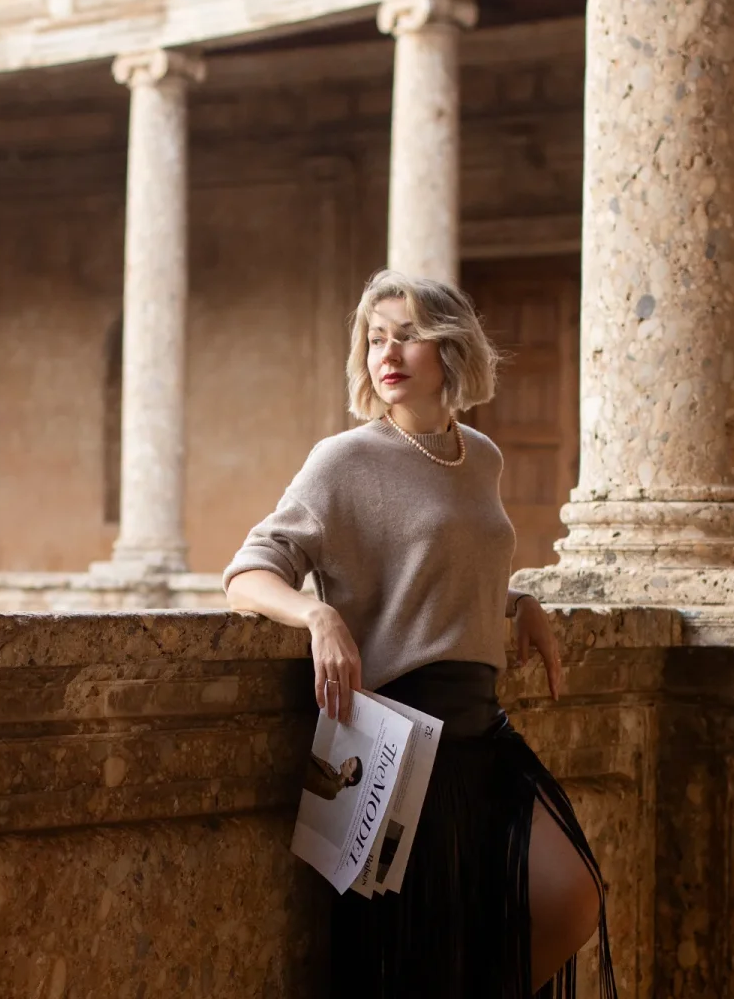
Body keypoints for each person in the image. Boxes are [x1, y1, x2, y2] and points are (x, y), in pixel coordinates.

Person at [224, 269, 616, 999]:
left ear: (452, 348)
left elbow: (446, 565)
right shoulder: (343, 460)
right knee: (415, 962)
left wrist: (516, 599)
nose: (388, 353)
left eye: (408, 336)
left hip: (480, 733)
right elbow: (248, 571)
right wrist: (318, 615)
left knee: (570, 895)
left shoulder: (481, 455)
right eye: (376, 338)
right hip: (398, 741)